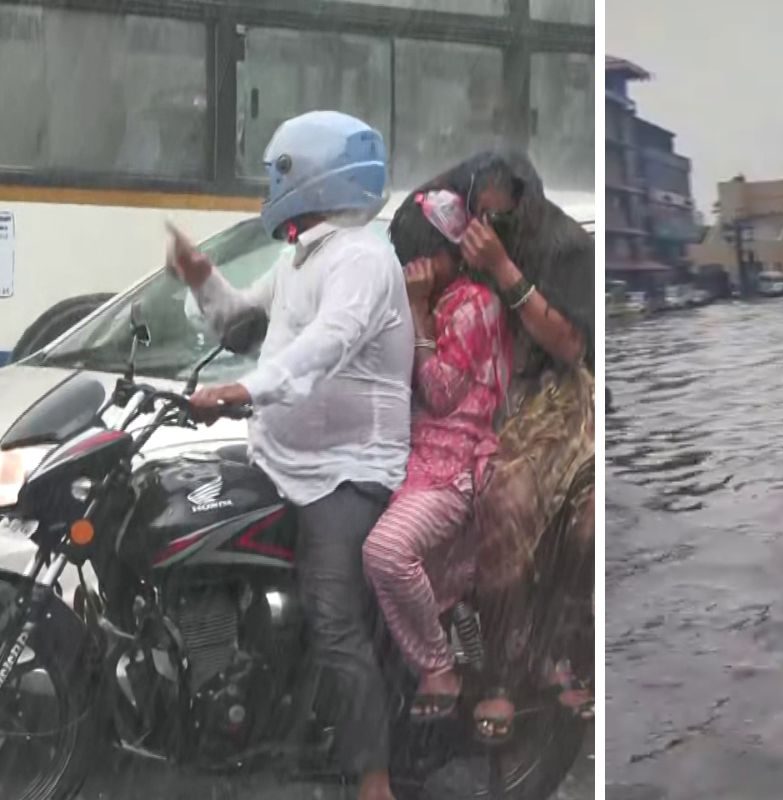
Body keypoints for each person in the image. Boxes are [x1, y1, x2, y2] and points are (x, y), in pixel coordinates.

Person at [171, 110, 411, 800]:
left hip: (346, 473)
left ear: (312, 174)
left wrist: (243, 388)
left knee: (333, 616)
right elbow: (239, 322)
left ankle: (373, 777)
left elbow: (325, 345)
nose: (270, 185)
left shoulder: (363, 259)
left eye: (278, 172)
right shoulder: (301, 256)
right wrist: (199, 277)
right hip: (279, 459)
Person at [390, 151, 594, 741]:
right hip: (483, 411)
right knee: (502, 502)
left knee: (581, 522)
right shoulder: (443, 240)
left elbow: (570, 345)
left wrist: (503, 269)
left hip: (554, 398)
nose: (486, 228)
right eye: (480, 217)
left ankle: (556, 654)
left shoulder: (561, 248)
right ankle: (501, 671)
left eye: (501, 220)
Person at [361, 190, 511, 720]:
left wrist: (420, 310)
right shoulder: (412, 300)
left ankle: (437, 665)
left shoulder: (474, 304)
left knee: (386, 552)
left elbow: (442, 391)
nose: (413, 267)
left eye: (424, 255)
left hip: (453, 465)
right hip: (406, 457)